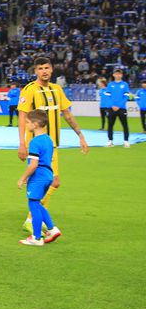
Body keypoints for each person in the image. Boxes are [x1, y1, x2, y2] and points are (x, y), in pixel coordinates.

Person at [16, 56, 89, 232]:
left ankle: (33, 217)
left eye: (47, 68)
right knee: (50, 181)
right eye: (40, 68)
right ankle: (33, 219)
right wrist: (21, 144)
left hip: (52, 144)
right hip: (36, 145)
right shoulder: (29, 90)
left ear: (52, 70)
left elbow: (68, 114)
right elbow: (22, 117)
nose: (44, 71)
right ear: (35, 71)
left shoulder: (57, 89)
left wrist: (80, 135)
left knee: (52, 182)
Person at [18, 109, 63, 246]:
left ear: (35, 124)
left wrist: (23, 178)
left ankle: (36, 238)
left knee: (33, 205)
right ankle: (52, 229)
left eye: (28, 122)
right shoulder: (49, 139)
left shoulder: (35, 142)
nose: (26, 125)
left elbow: (33, 165)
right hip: (48, 175)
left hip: (38, 177)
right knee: (37, 203)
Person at [104, 69, 131, 147]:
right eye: (116, 74)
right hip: (111, 108)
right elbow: (108, 96)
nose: (118, 75)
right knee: (110, 125)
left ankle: (126, 141)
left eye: (119, 74)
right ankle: (110, 141)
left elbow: (126, 96)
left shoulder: (125, 84)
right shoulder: (110, 84)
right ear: (113, 75)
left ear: (121, 75)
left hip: (121, 108)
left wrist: (119, 105)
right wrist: (112, 105)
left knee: (125, 125)